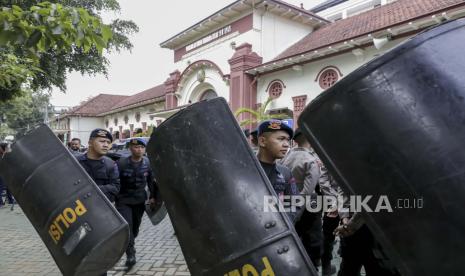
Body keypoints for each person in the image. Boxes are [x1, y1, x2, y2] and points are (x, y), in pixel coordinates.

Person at [279, 128, 324, 269]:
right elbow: (309, 189)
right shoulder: (311, 160)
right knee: (313, 238)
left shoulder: (285, 158)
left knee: (293, 235)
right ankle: (313, 267)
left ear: (295, 140)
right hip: (310, 204)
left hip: (289, 202)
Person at [116, 138, 158, 269]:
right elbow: (115, 182)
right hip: (123, 200)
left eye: (141, 147)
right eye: (136, 147)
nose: (139, 149)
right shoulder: (121, 163)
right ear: (130, 149)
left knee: (135, 227)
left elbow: (151, 181)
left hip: (139, 200)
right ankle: (130, 254)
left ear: (144, 149)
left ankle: (130, 243)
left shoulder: (147, 163)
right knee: (128, 226)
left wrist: (153, 196)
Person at [256, 120, 299, 221]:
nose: (286, 145)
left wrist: (282, 222)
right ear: (262, 141)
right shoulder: (246, 169)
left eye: (288, 140)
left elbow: (295, 203)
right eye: (281, 139)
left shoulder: (285, 173)